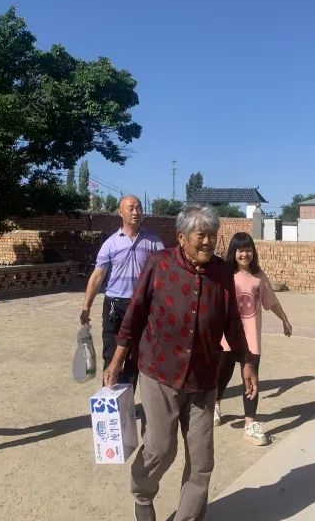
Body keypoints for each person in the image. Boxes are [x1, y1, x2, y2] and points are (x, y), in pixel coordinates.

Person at [104, 205, 258, 521]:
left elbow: (232, 321)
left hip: (203, 378)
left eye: (213, 235)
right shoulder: (159, 264)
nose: (208, 242)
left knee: (202, 461)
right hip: (159, 372)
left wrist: (247, 363)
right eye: (201, 235)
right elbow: (135, 313)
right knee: (160, 449)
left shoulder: (222, 272)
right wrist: (117, 360)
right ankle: (142, 496)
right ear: (181, 237)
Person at [214, 232, 292, 446]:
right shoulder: (225, 275)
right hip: (227, 338)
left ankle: (250, 423)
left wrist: (285, 320)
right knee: (222, 375)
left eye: (248, 249)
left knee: (251, 380)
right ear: (233, 252)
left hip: (251, 340)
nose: (244, 254)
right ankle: (216, 403)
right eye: (240, 250)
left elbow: (271, 301)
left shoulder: (259, 276)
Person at [80, 195, 164, 387]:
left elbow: (164, 271)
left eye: (139, 208)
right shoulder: (111, 243)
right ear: (120, 212)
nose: (136, 212)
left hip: (141, 306)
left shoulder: (153, 241)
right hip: (114, 306)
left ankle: (127, 400)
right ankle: (109, 399)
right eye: (131, 208)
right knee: (110, 354)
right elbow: (97, 276)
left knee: (134, 356)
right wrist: (86, 307)